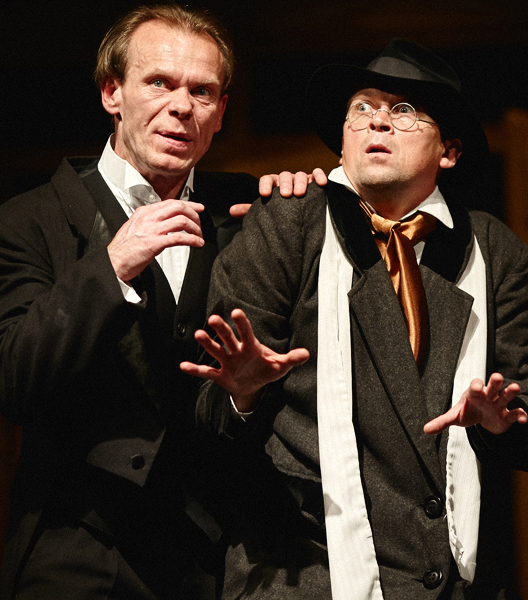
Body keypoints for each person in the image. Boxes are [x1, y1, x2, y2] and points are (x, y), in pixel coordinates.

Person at [180, 38, 528, 599]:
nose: (377, 122)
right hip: (302, 571)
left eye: (403, 111)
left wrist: (504, 421)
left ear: (449, 151)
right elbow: (208, 412)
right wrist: (243, 392)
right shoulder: (288, 222)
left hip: (450, 578)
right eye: (361, 108)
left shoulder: (492, 251)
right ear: (342, 138)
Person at [0, 5, 322, 598]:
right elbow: (14, 380)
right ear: (111, 93)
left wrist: (246, 393)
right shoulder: (30, 219)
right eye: (159, 83)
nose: (181, 106)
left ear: (221, 113)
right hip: (77, 550)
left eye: (202, 91)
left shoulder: (247, 212)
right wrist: (112, 266)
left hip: (207, 560)